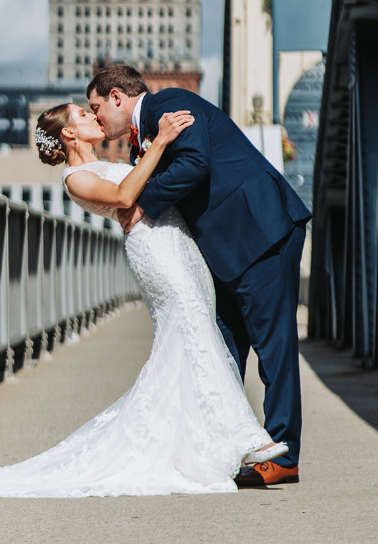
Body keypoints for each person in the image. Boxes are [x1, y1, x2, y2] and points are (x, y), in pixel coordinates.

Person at [0, 102, 287, 498]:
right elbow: (124, 192)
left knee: (192, 338)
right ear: (68, 134)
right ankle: (245, 438)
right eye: (83, 114)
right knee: (193, 332)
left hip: (178, 245)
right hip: (157, 254)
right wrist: (162, 141)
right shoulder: (75, 178)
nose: (94, 117)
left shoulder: (111, 159)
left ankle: (211, 441)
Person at [87, 65, 311, 487]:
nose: (97, 118)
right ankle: (226, 446)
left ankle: (285, 454)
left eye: (97, 108)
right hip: (228, 251)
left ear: (117, 97)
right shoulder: (151, 130)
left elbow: (195, 163)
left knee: (272, 346)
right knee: (221, 349)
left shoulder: (167, 105)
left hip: (259, 232)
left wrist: (143, 204)